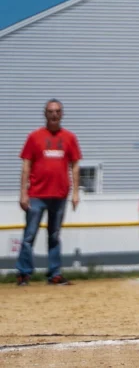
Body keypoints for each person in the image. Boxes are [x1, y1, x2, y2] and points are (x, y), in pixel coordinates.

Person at [15, 99, 81, 286]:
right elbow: (26, 165)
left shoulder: (69, 138)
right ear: (45, 113)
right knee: (29, 235)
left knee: (54, 235)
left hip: (59, 195)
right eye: (51, 111)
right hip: (36, 195)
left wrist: (76, 192)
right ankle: (24, 273)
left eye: (58, 111)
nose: (54, 114)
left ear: (62, 114)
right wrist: (23, 193)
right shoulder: (34, 137)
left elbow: (75, 166)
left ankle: (54, 273)